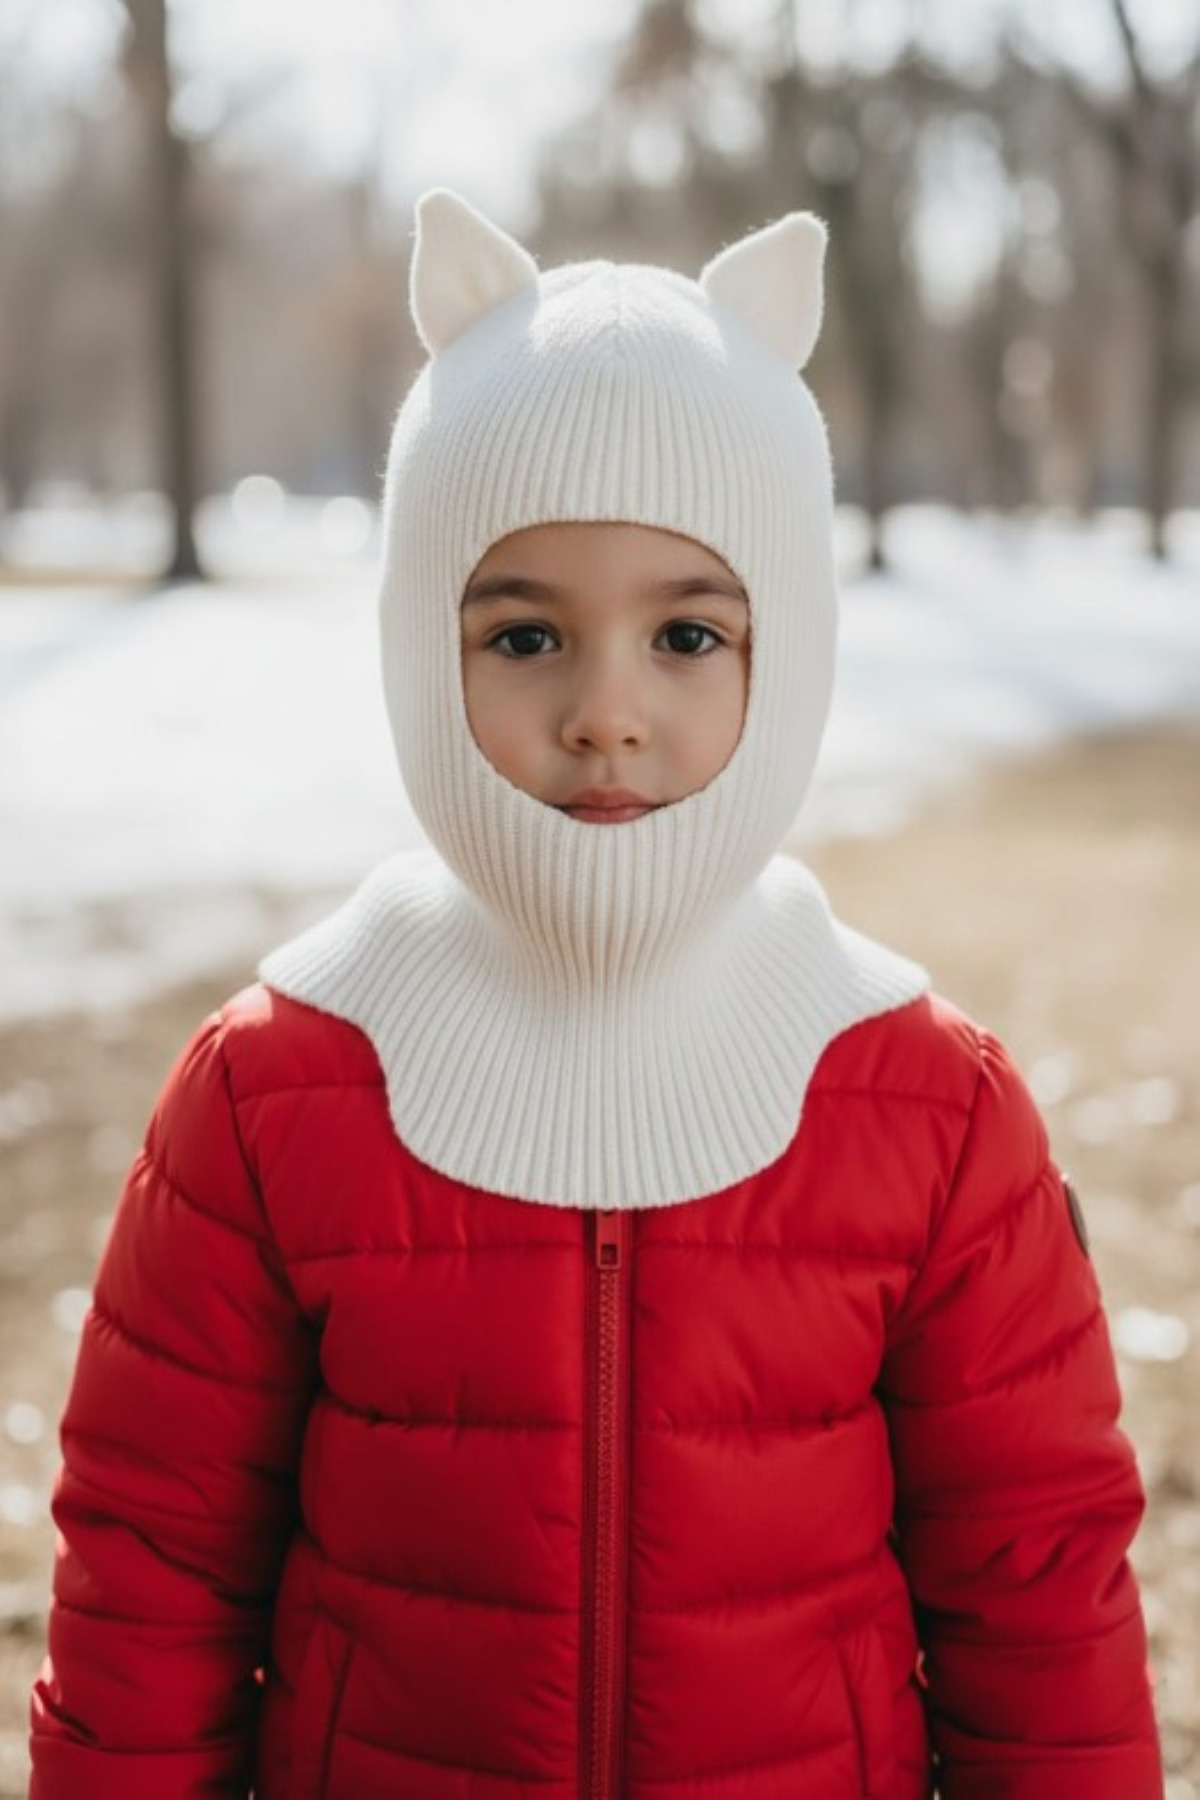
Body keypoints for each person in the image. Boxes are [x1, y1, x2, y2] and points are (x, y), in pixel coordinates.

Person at [29, 190, 1162, 1799]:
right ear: (428, 653)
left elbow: (1039, 1596)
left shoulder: (927, 1105)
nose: (605, 712)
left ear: (792, 659)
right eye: (527, 635)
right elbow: (152, 1579)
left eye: (689, 632)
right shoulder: (271, 1092)